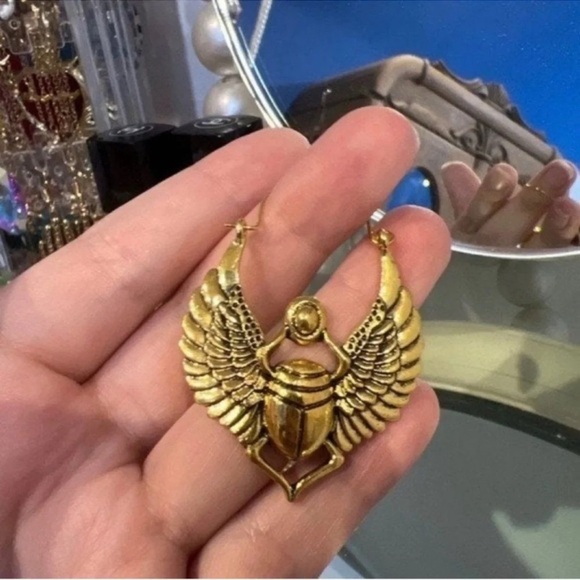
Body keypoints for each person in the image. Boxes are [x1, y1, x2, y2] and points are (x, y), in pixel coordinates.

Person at [0, 107, 451, 577]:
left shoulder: (268, 373)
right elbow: (366, 322)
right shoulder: (312, 371)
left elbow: (371, 321)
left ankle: (293, 481)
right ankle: (294, 481)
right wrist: (241, 254)